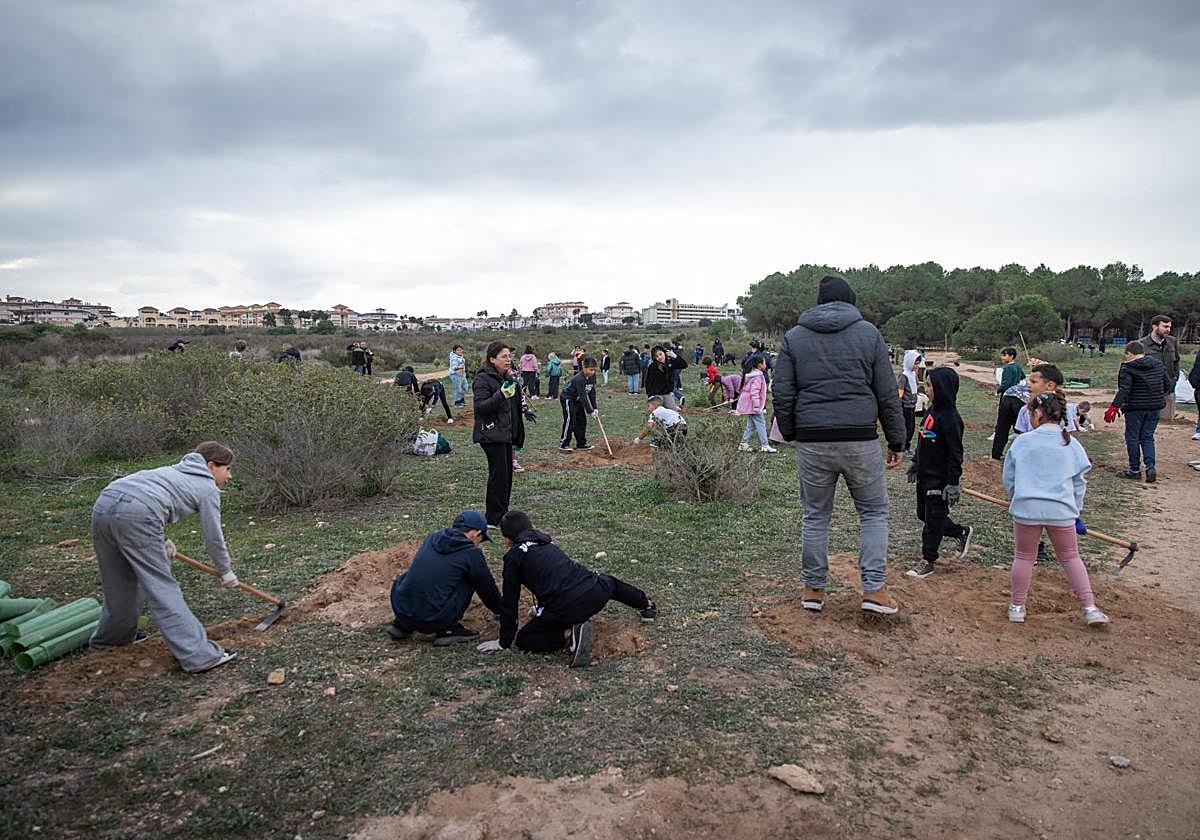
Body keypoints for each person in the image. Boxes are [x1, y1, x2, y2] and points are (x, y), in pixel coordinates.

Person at [772, 275, 905, 617]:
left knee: (815, 516)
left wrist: (789, 432)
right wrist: (896, 439)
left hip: (813, 441)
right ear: (850, 300)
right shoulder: (869, 334)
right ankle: (874, 590)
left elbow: (783, 391)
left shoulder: (794, 337)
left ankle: (813, 590)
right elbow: (887, 392)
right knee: (873, 513)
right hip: (860, 438)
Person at [89, 442, 240, 673]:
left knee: (118, 580)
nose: (229, 476)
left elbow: (141, 498)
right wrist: (225, 570)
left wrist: (159, 541)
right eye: (227, 469)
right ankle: (199, 656)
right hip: (139, 514)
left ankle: (111, 639)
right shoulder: (207, 487)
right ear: (211, 466)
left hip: (104, 505)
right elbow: (213, 537)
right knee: (161, 586)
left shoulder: (172, 471)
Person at [475, 511, 656, 668]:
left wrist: (504, 641)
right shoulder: (547, 543)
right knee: (611, 583)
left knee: (524, 639)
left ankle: (569, 635)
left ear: (507, 539)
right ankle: (646, 605)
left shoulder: (514, 557)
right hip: (593, 589)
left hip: (566, 608)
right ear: (531, 527)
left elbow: (510, 600)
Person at [1004, 392, 1110, 627]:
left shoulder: (1022, 442)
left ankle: (1017, 607)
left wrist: (1016, 498)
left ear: (1038, 413)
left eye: (1030, 413)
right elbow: (1079, 481)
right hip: (1061, 510)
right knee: (1071, 557)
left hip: (1027, 509)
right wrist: (1076, 511)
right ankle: (1090, 608)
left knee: (1023, 557)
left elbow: (1009, 478)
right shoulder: (1071, 444)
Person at [386, 511, 503, 645]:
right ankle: (448, 630)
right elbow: (487, 589)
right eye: (481, 539)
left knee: (416, 573)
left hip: (401, 610)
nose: (478, 543)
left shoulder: (433, 538)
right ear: (475, 533)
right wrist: (502, 610)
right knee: (471, 578)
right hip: (431, 621)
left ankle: (401, 625)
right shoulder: (471, 553)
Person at [905, 367, 971, 579]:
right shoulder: (931, 411)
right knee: (923, 515)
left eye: (931, 385)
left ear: (943, 388)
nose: (927, 388)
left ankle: (928, 560)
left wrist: (952, 482)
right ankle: (960, 531)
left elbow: (955, 453)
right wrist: (916, 462)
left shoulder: (952, 419)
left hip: (939, 480)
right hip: (925, 475)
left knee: (933, 521)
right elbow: (924, 440)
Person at [1106, 340, 1170, 482]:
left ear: (1129, 354)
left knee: (1133, 438)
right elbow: (1167, 384)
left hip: (1135, 408)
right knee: (1147, 437)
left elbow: (1125, 390)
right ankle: (1150, 466)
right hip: (1154, 407)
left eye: (1126, 355)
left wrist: (1114, 406)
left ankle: (1134, 470)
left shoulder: (1128, 368)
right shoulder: (1158, 365)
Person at [473, 341, 519, 526]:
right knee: (498, 475)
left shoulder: (505, 377)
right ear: (492, 359)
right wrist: (501, 394)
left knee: (506, 475)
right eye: (503, 356)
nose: (508, 360)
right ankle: (493, 517)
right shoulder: (483, 379)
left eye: (509, 356)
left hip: (504, 432)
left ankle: (502, 513)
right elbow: (481, 408)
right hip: (490, 433)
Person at [1139, 315, 1180, 420]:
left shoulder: (1172, 342)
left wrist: (1174, 379)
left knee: (1166, 423)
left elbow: (1176, 362)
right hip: (1148, 393)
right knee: (1149, 423)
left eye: (1169, 327)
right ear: (1154, 326)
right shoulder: (1141, 345)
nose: (1168, 330)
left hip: (1168, 391)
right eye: (1165, 326)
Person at [736, 354, 775, 453]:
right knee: (761, 423)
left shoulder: (751, 374)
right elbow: (754, 392)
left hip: (750, 404)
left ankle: (743, 443)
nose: (766, 364)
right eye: (764, 362)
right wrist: (757, 406)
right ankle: (765, 445)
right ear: (759, 365)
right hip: (754, 405)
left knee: (751, 425)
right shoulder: (758, 376)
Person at [559, 355, 599, 452]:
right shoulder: (579, 379)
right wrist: (590, 411)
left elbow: (591, 392)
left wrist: (595, 408)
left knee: (581, 421)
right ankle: (564, 444)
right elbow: (583, 396)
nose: (592, 372)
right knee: (571, 419)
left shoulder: (592, 377)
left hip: (578, 400)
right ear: (584, 368)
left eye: (594, 370)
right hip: (568, 398)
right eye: (590, 370)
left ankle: (581, 443)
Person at [643, 345, 688, 411]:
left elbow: (684, 365)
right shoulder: (653, 366)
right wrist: (650, 395)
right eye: (656, 356)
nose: (659, 357)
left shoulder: (670, 363)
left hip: (667, 393)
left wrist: (675, 356)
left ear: (664, 353)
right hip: (656, 394)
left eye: (660, 354)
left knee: (673, 412)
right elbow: (648, 381)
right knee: (657, 414)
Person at [898, 349, 922, 457]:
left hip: (912, 406)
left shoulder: (913, 374)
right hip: (905, 406)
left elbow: (916, 387)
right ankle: (902, 448)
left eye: (918, 364)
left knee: (911, 427)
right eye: (915, 364)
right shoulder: (904, 375)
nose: (916, 366)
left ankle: (907, 446)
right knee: (906, 427)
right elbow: (900, 392)